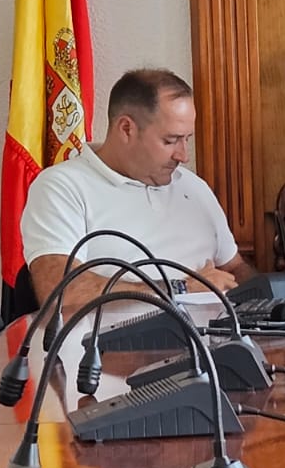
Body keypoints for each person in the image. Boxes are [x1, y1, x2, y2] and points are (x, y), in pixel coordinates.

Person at [21, 68, 255, 314]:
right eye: (170, 140)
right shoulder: (62, 188)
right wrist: (179, 288)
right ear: (126, 129)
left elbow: (234, 268)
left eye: (187, 139)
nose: (183, 156)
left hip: (219, 344)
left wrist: (271, 298)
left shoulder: (193, 186)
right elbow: (62, 293)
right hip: (117, 347)